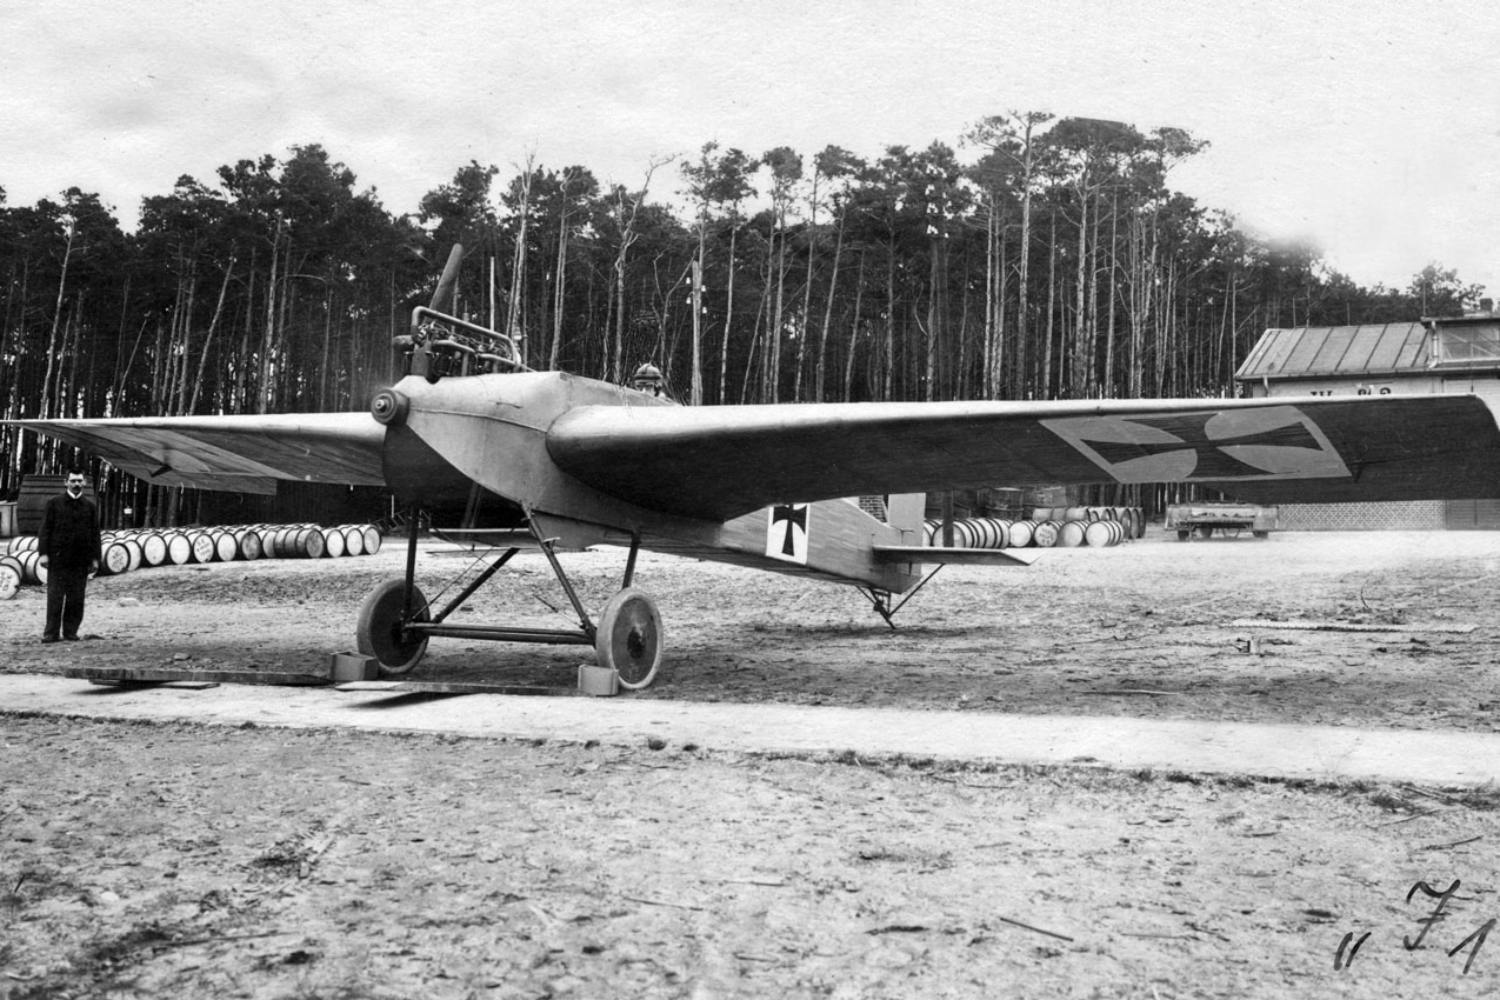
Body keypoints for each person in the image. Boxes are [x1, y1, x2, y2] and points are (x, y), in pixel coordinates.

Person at [37, 469, 101, 643]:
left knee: (76, 598)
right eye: (73, 481)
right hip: (58, 560)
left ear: (84, 483)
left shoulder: (90, 507)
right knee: (55, 597)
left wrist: (95, 558)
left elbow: (95, 534)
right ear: (65, 482)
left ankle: (70, 632)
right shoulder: (54, 504)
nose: (76, 484)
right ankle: (51, 633)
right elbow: (45, 531)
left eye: (80, 481)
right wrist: (43, 554)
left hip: (80, 562)